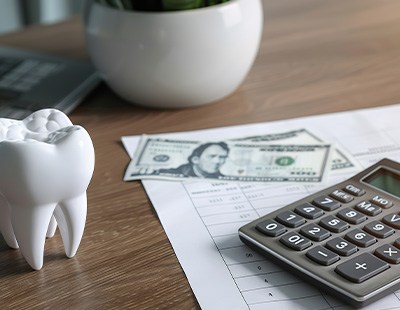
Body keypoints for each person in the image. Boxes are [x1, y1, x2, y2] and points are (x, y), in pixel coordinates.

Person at [158, 142, 230, 178]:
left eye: (222, 157)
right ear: (195, 159)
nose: (217, 161)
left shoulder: (222, 178)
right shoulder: (169, 174)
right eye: (211, 156)